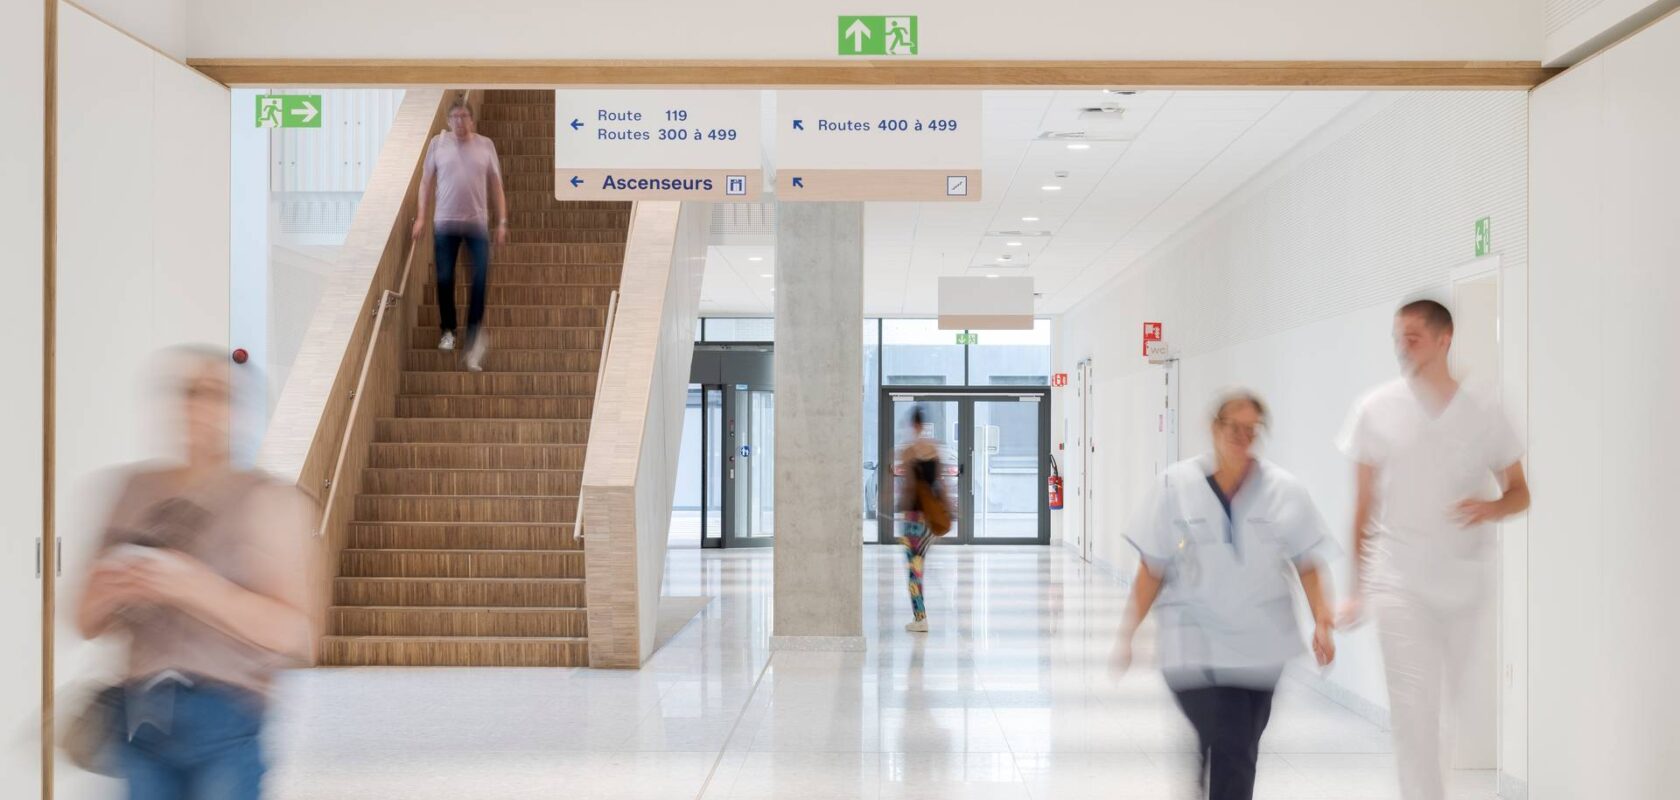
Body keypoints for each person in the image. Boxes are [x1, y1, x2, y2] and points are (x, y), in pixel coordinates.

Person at [73, 347, 315, 800]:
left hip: (225, 720)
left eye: (216, 394)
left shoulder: (267, 500)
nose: (199, 407)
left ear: (239, 411)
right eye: (188, 392)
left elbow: (294, 633)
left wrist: (195, 588)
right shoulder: (132, 490)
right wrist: (113, 589)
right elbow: (84, 621)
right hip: (137, 718)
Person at [1336, 299, 1529, 800]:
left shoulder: (1485, 410)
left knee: (1455, 711)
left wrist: (1490, 508)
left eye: (1414, 335)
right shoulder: (1375, 409)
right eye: (1398, 336)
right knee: (1414, 712)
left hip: (1464, 584)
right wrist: (1356, 589)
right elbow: (1361, 506)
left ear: (1445, 339)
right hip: (1398, 581)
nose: (1403, 345)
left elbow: (1520, 491)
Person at [1112, 390, 1336, 800]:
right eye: (1234, 427)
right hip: (1195, 646)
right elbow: (1152, 568)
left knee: (1240, 745)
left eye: (1251, 429)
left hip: (1261, 649)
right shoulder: (1174, 486)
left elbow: (1308, 562)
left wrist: (1323, 619)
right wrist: (1129, 630)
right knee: (1233, 746)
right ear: (1215, 429)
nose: (1242, 436)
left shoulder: (1283, 490)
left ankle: (1208, 772)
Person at [412, 97, 509, 372]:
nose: (460, 122)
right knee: (444, 277)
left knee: (480, 279)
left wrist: (502, 221)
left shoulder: (485, 145)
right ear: (448, 121)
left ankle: (474, 339)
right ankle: (448, 331)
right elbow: (425, 182)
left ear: (472, 120)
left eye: (465, 116)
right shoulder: (437, 144)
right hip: (444, 223)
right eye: (455, 117)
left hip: (477, 225)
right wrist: (420, 216)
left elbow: (497, 186)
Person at [895, 406, 949, 634]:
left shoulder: (908, 451)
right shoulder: (935, 448)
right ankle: (920, 617)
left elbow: (908, 488)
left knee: (913, 570)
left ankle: (920, 618)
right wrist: (947, 510)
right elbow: (941, 483)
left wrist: (901, 509)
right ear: (923, 424)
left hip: (912, 518)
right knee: (920, 566)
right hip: (928, 519)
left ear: (912, 424)